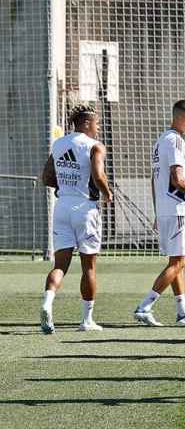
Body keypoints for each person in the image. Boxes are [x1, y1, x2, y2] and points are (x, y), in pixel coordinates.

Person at [133, 100, 185, 327]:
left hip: (166, 210)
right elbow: (177, 179)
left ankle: (183, 312)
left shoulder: (160, 141)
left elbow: (154, 180)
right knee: (178, 262)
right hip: (177, 209)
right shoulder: (175, 140)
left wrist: (157, 213)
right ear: (177, 117)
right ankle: (145, 306)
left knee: (177, 261)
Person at [38, 105, 113, 334]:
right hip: (85, 209)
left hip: (61, 207)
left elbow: (47, 177)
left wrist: (67, 184)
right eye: (97, 123)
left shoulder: (59, 144)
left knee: (60, 265)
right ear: (87, 124)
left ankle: (47, 303)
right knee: (88, 266)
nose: (98, 128)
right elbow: (98, 175)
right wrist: (108, 194)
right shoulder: (94, 146)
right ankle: (86, 320)